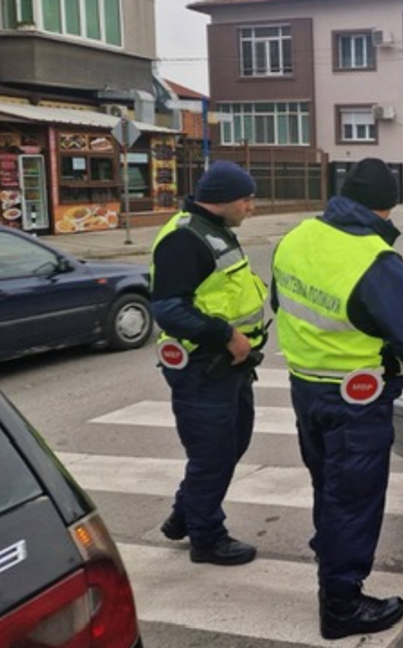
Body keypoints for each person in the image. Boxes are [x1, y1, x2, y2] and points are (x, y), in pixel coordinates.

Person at [271, 158, 403, 640]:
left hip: (307, 387)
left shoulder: (297, 237)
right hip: (356, 398)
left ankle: (331, 550)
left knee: (329, 484)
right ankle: (341, 604)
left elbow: (284, 304)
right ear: (385, 208)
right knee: (355, 498)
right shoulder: (374, 258)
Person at [151, 160, 267, 567]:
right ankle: (207, 538)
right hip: (203, 368)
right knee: (212, 454)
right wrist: (227, 336)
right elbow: (168, 309)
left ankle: (186, 514)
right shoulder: (184, 240)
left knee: (232, 444)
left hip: (230, 366)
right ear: (223, 201)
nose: (251, 207)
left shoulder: (214, 231)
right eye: (247, 199)